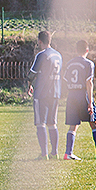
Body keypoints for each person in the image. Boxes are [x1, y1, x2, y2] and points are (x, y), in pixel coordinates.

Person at [63, 40, 96, 160]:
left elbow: (65, 80)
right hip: (83, 95)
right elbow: (89, 82)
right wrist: (90, 102)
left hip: (72, 96)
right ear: (87, 50)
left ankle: (68, 153)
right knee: (94, 122)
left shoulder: (70, 63)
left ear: (76, 50)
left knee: (73, 125)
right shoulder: (89, 64)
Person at [27, 31, 62, 160]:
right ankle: (55, 153)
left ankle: (44, 154)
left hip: (42, 92)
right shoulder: (58, 55)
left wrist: (30, 83)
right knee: (52, 123)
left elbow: (32, 73)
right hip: (55, 91)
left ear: (39, 41)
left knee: (40, 123)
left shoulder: (42, 55)